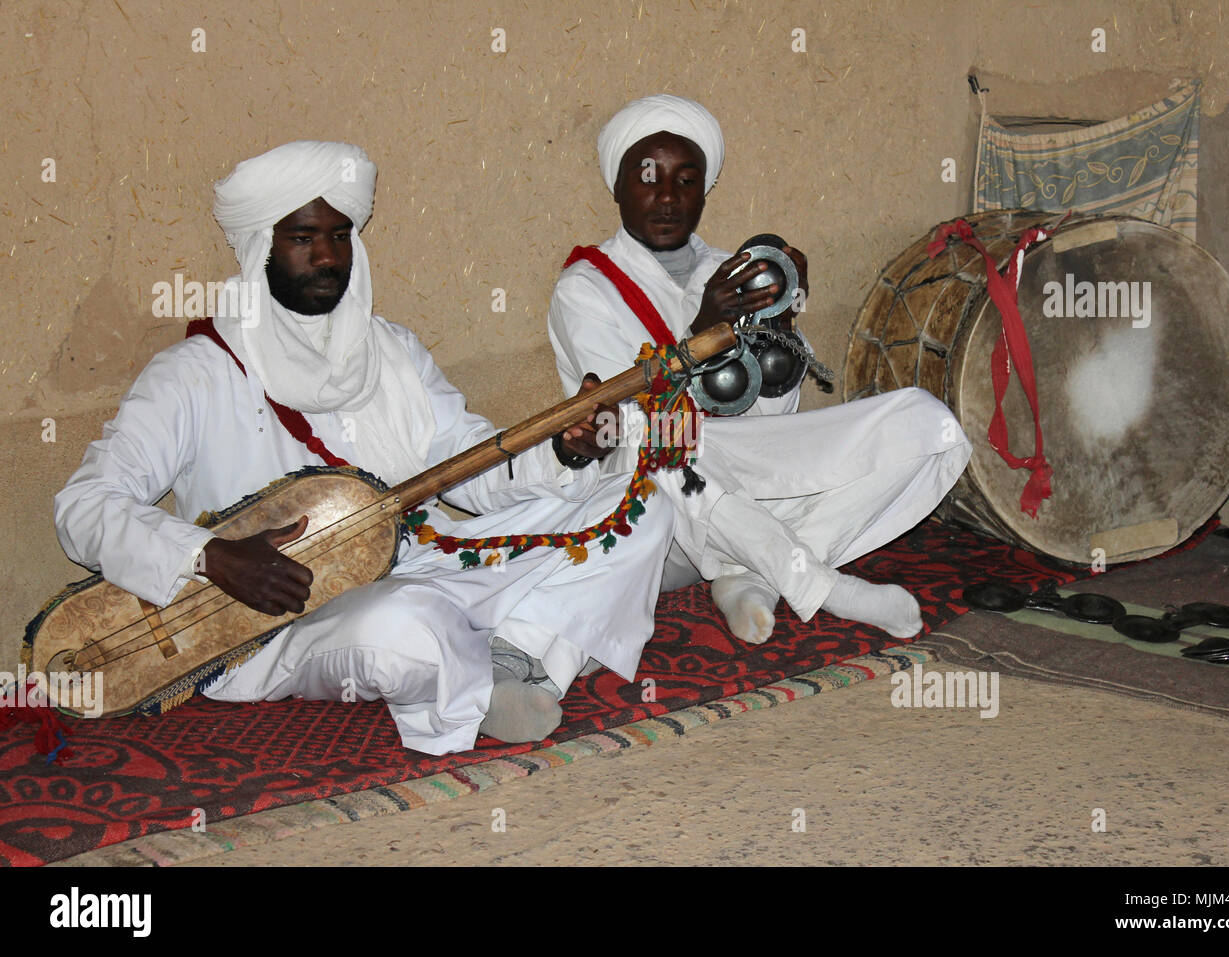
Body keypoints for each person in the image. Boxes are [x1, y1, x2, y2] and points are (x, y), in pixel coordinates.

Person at [54, 140, 676, 755]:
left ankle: (514, 656)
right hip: (288, 621)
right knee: (402, 627)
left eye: (340, 234)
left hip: (427, 560)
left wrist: (564, 451)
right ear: (258, 247)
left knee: (642, 504)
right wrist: (211, 556)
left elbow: (472, 464)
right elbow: (83, 507)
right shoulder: (195, 373)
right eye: (302, 237)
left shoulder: (392, 352)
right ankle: (526, 645)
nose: (327, 256)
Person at [548, 95, 973, 644]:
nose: (667, 197)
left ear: (704, 190)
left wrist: (784, 319)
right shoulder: (585, 287)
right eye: (648, 177)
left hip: (743, 477)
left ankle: (752, 574)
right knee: (663, 437)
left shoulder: (736, 270)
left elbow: (773, 413)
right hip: (660, 510)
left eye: (686, 181)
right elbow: (621, 417)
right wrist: (705, 330)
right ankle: (818, 584)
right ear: (619, 185)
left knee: (928, 422)